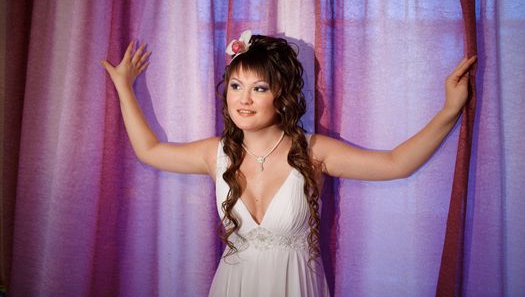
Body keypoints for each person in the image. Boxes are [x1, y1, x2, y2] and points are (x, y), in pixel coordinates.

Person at [100, 30, 476, 297]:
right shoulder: (215, 153)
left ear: (281, 95)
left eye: (259, 88)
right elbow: (149, 150)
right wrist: (123, 86)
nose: (243, 100)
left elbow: (396, 163)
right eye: (236, 86)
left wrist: (449, 109)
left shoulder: (313, 151)